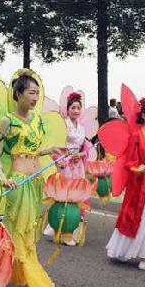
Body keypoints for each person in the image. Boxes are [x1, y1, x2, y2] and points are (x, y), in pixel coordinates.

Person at [0, 72, 64, 287]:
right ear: (18, 94)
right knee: (20, 232)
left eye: (37, 93)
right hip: (18, 182)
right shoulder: (8, 121)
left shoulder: (37, 120)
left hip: (35, 182)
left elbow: (34, 150)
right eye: (31, 93)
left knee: (28, 232)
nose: (35, 97)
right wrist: (3, 178)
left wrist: (49, 149)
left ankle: (7, 277)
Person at [105, 96, 145, 272]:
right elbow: (129, 162)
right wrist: (137, 168)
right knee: (139, 215)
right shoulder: (136, 136)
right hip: (139, 184)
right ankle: (140, 257)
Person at [43, 91, 90, 245]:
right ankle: (57, 225)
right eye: (73, 108)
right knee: (63, 195)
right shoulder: (63, 124)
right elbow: (55, 143)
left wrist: (82, 154)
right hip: (65, 162)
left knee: (76, 196)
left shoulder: (82, 128)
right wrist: (58, 160)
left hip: (77, 164)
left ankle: (71, 227)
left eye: (78, 108)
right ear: (67, 109)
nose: (76, 111)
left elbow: (85, 147)